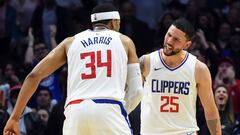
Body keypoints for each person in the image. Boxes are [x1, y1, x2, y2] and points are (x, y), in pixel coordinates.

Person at [3, 3, 143, 135]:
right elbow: (136, 91)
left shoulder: (70, 42)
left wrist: (15, 117)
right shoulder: (124, 41)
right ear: (114, 22)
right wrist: (121, 110)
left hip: (75, 111)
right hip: (109, 107)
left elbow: (34, 76)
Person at [140, 18, 221, 135]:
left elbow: (210, 110)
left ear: (187, 45)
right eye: (169, 35)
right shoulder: (146, 62)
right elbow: (130, 95)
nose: (169, 41)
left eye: (176, 39)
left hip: (184, 132)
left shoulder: (198, 69)